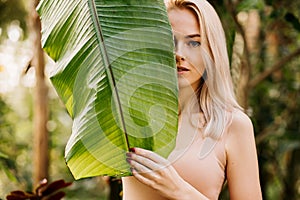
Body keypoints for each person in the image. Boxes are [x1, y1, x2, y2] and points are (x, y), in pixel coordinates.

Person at [123, 0, 262, 199]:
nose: (179, 54)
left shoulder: (233, 125)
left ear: (212, 52)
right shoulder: (128, 114)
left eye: (194, 43)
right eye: (169, 41)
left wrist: (178, 189)